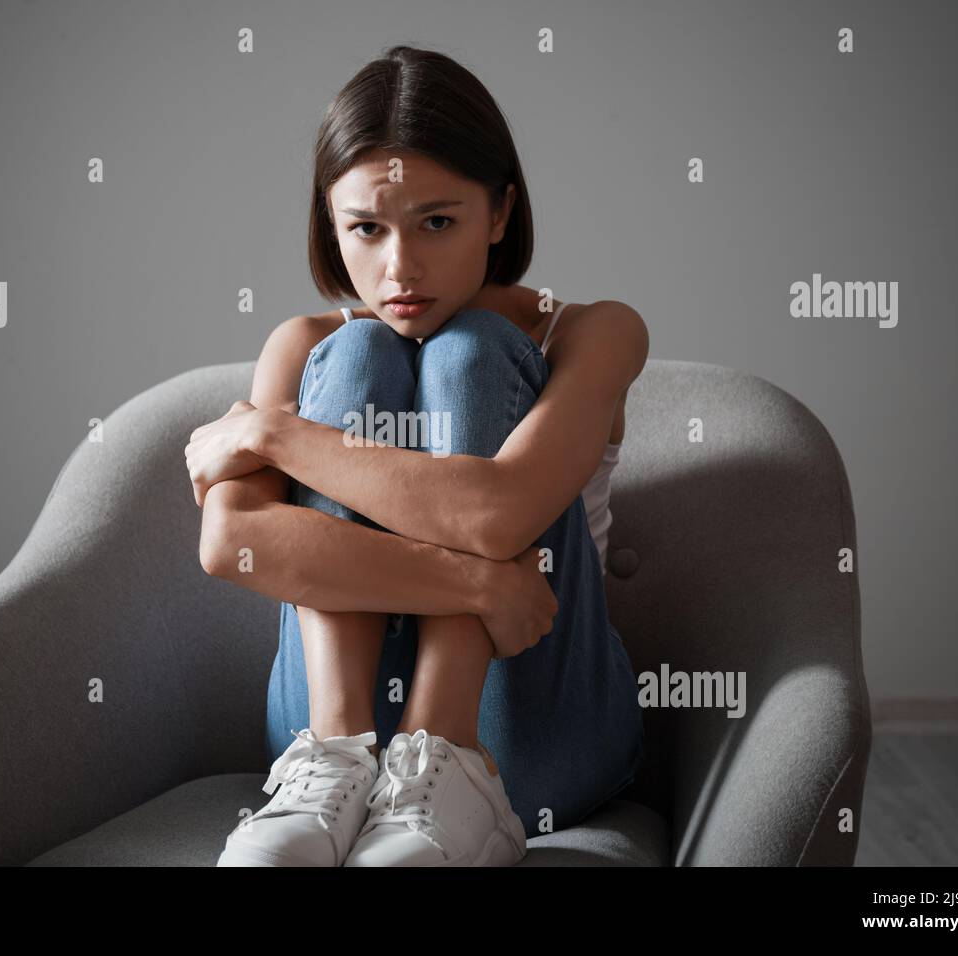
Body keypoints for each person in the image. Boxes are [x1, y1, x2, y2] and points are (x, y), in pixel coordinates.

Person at [185, 44, 648, 867]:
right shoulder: (303, 348)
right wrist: (477, 580)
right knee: (356, 357)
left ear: (499, 213)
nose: (400, 268)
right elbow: (231, 543)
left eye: (438, 221)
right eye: (366, 227)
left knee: (471, 351)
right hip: (328, 744)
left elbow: (495, 510)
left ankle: (450, 756)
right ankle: (334, 760)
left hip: (533, 723)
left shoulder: (593, 331)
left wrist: (275, 433)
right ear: (332, 223)